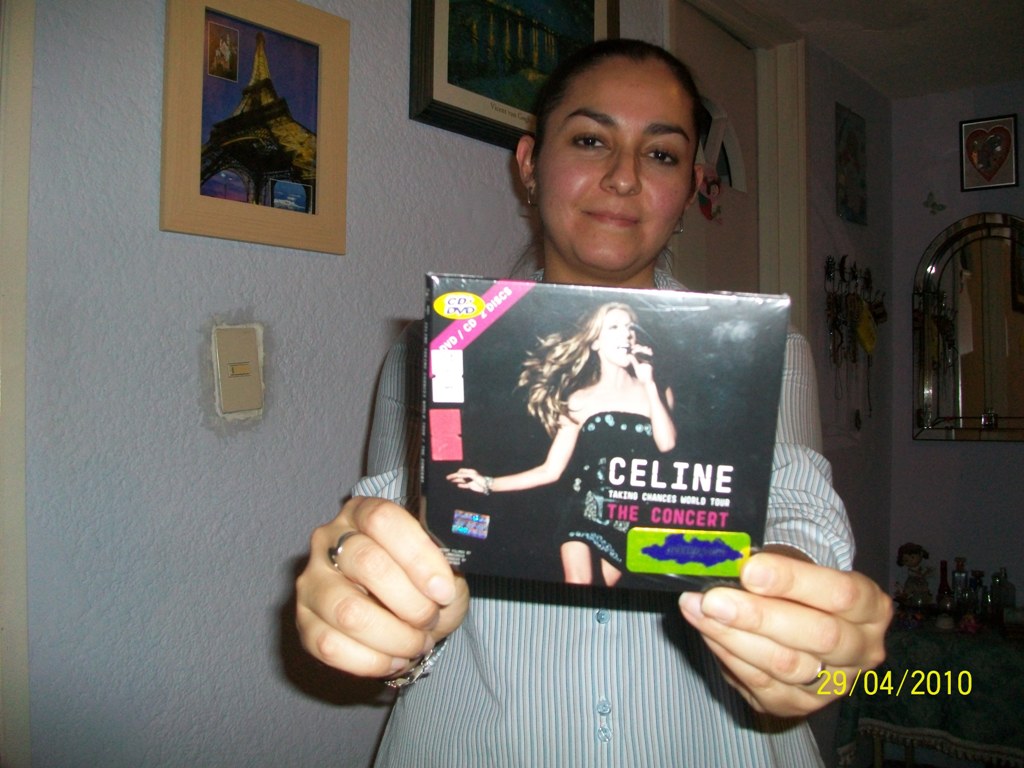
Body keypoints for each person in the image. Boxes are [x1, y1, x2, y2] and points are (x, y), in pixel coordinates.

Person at [295, 38, 891, 766]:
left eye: (661, 154)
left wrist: (796, 613)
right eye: (589, 140)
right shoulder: (429, 352)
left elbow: (796, 508)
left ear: (691, 186)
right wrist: (369, 601)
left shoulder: (769, 354)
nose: (623, 177)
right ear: (528, 163)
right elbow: (395, 550)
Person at [447, 301, 676, 586]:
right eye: (614, 327)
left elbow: (667, 445)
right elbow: (550, 470)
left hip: (630, 517)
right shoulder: (579, 400)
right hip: (584, 510)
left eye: (629, 327)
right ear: (595, 343)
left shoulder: (657, 391)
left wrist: (649, 383)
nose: (626, 334)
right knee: (579, 582)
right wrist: (488, 483)